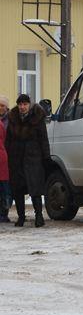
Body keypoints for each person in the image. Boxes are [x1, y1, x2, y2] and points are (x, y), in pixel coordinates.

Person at [6, 94, 51, 228]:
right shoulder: (13, 118)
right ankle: (21, 217)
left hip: (33, 158)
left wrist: (46, 157)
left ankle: (39, 216)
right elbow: (8, 139)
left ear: (29, 105)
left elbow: (44, 139)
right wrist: (9, 155)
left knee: (35, 189)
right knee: (18, 190)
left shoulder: (37, 118)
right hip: (16, 158)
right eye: (20, 104)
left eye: (25, 104)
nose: (22, 107)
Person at [0, 95, 11, 223]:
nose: (0, 108)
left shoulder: (10, 120)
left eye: (2, 105)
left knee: (5, 187)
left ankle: (4, 212)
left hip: (7, 156)